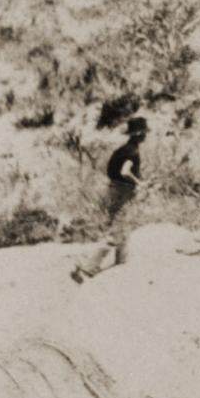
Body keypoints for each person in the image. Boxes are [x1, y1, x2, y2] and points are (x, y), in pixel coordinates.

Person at [72, 117, 148, 283]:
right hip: (122, 193)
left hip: (113, 191)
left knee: (122, 228)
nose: (146, 136)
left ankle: (122, 265)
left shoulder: (122, 149)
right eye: (144, 133)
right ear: (139, 133)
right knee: (117, 231)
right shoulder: (132, 151)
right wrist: (140, 183)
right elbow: (125, 171)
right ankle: (87, 268)